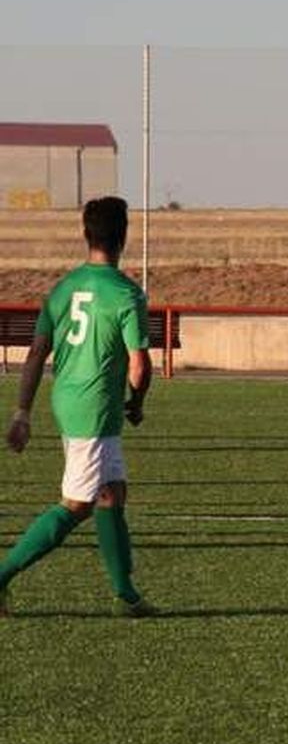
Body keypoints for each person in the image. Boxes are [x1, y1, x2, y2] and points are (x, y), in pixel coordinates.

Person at [2, 196, 156, 617]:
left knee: (111, 494)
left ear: (86, 234)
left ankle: (127, 595)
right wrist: (137, 403)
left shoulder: (63, 288)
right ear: (123, 236)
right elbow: (140, 366)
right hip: (95, 408)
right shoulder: (127, 294)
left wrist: (21, 413)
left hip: (68, 402)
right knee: (75, 505)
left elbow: (36, 353)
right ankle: (1, 578)